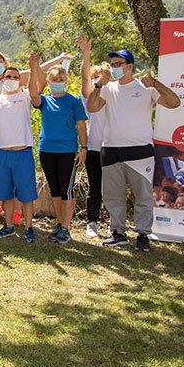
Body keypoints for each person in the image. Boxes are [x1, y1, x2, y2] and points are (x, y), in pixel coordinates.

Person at [0, 18, 74, 217]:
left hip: (12, 134)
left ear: (5, 64)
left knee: (13, 172)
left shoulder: (13, 77)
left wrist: (58, 59)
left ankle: (15, 211)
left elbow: (37, 71)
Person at [87, 48, 180, 251]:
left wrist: (155, 84)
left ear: (130, 66)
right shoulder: (108, 88)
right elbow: (92, 108)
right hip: (111, 149)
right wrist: (98, 85)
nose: (115, 68)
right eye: (113, 64)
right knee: (113, 195)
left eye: (119, 64)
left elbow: (174, 102)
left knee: (143, 195)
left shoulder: (146, 88)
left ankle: (143, 234)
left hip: (140, 151)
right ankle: (118, 233)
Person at [30, 56, 87, 244]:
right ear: (49, 82)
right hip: (47, 151)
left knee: (66, 191)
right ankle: (60, 224)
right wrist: (34, 68)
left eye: (60, 81)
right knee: (54, 190)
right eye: (54, 81)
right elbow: (33, 96)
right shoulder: (45, 100)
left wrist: (84, 148)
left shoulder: (74, 101)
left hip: (68, 152)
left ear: (65, 82)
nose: (57, 84)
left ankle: (66, 227)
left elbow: (81, 127)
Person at [0, 55, 41, 242]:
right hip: (2, 154)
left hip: (22, 153)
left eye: (15, 77)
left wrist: (33, 68)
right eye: (8, 77)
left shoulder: (25, 96)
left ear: (19, 81)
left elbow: (36, 90)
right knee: (6, 193)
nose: (11, 80)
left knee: (26, 194)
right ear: (2, 79)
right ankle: (8, 226)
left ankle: (29, 227)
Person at [78, 35, 109, 237]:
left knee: (115, 187)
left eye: (105, 75)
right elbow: (84, 79)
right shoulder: (91, 93)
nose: (101, 78)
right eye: (97, 75)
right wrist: (86, 54)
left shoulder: (115, 92)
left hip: (116, 146)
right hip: (95, 146)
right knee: (95, 186)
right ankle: (92, 223)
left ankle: (116, 223)